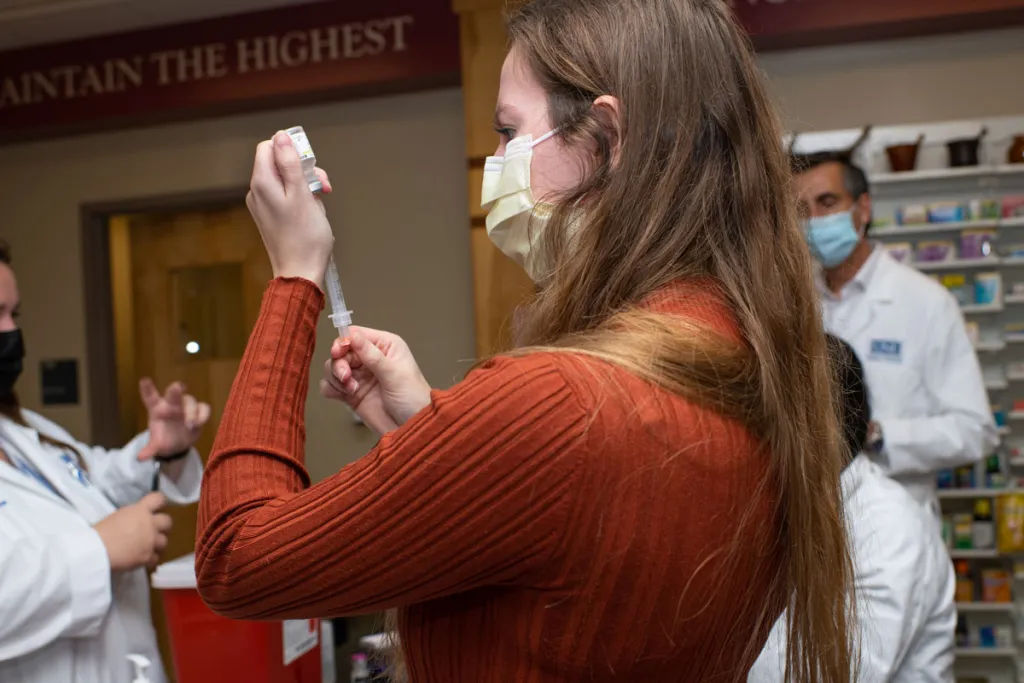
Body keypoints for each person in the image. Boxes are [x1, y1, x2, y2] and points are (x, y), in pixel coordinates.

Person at [196, 1, 855, 681]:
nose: (497, 162)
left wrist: (294, 276)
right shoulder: (744, 359)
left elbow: (234, 557)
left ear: (605, 134)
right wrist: (439, 434)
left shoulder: (564, 402)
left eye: (510, 132)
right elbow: (587, 560)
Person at [0, 242, 210, 683]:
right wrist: (98, 550)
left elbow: (94, 481)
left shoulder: (20, 430)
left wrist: (163, 447)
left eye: (14, 316)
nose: (11, 333)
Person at [795, 151, 997, 518]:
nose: (815, 221)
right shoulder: (793, 303)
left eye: (827, 202)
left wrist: (878, 435)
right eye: (802, 210)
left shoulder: (926, 302)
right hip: (814, 520)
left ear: (864, 209)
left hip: (898, 521)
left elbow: (975, 431)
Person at [749, 335, 956, 682]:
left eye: (761, 415)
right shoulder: (796, 503)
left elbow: (833, 673)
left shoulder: (890, 527)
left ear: (819, 428)